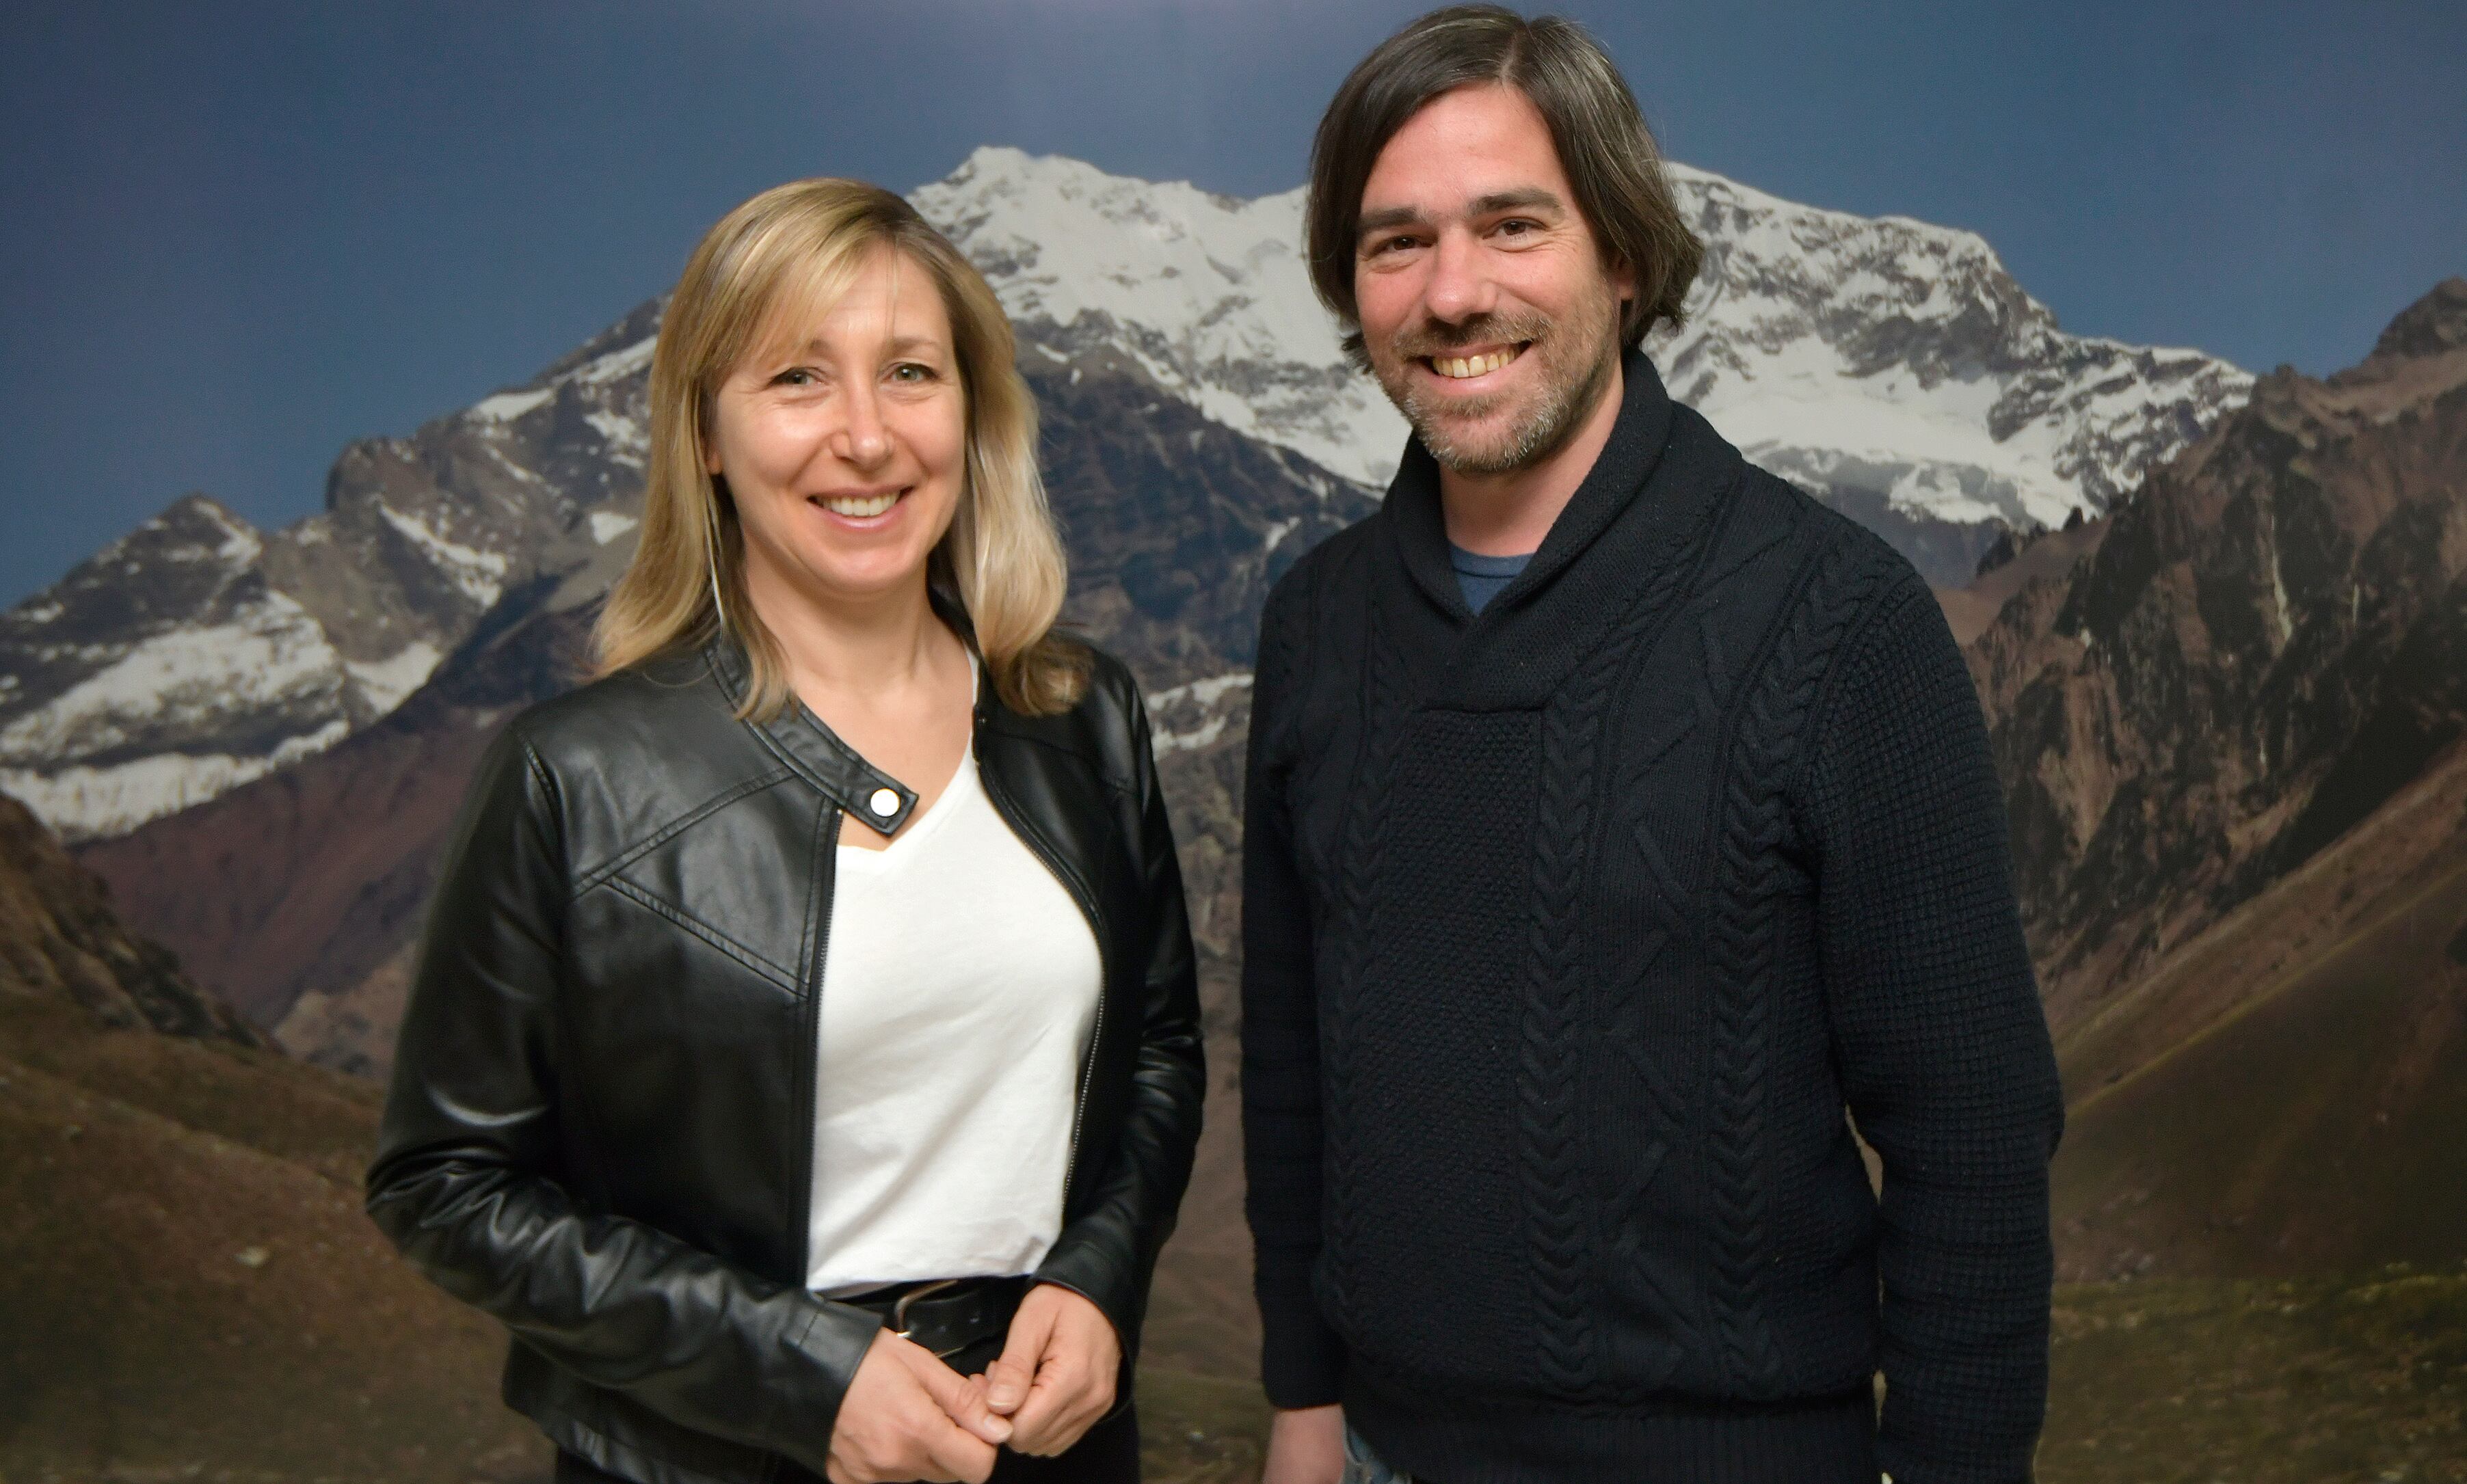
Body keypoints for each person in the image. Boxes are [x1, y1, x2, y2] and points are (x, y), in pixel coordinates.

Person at [1240, 9, 2066, 1483]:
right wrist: (1302, 1404)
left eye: (1511, 225)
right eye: (1393, 244)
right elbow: (1295, 1066)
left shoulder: (1837, 624)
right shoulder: (1315, 627)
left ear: (1622, 258)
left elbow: (1975, 1136)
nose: (1452, 292)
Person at [367, 178, 1204, 1484]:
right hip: (713, 1454)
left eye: (912, 373)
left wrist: (1100, 1283)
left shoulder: (1083, 717)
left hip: (1051, 1451)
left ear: (971, 412)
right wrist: (807, 1377)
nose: (865, 438)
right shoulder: (571, 778)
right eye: (799, 380)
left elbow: (1156, 1054)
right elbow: (444, 1185)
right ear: (706, 432)